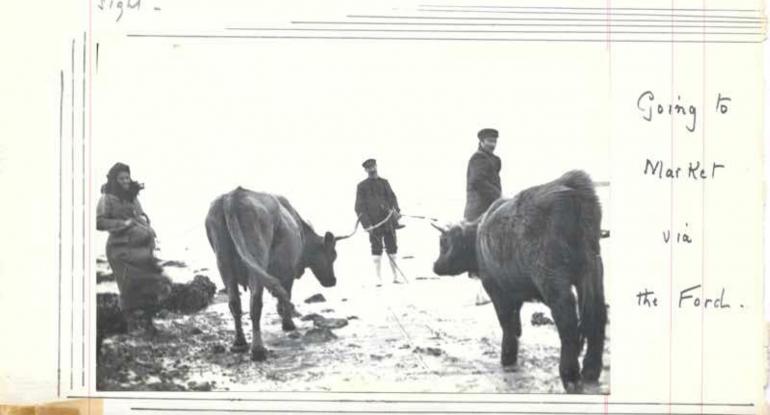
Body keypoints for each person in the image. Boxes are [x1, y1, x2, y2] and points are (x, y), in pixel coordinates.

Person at [96, 162, 171, 334]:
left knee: (150, 284)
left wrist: (148, 230)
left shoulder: (133, 196)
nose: (125, 181)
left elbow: (140, 216)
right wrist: (122, 224)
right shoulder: (106, 198)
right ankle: (130, 326)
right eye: (121, 178)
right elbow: (98, 222)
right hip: (119, 249)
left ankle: (148, 324)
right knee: (128, 288)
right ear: (114, 180)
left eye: (127, 177)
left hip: (141, 249)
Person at [464, 128, 502, 305]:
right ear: (481, 141)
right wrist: (499, 197)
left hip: (490, 209)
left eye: (494, 141)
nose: (492, 144)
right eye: (489, 141)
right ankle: (477, 295)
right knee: (477, 251)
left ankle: (484, 292)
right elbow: (477, 182)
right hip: (477, 210)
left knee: (488, 249)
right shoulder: (477, 159)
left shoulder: (494, 160)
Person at [354, 158, 405, 286]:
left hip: (388, 222)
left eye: (373, 166)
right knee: (376, 250)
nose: (372, 169)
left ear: (376, 166)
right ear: (366, 170)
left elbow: (393, 198)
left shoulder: (385, 183)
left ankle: (395, 277)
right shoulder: (362, 186)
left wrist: (396, 211)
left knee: (392, 248)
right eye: (369, 168)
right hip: (374, 224)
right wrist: (367, 225)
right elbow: (359, 207)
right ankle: (378, 279)